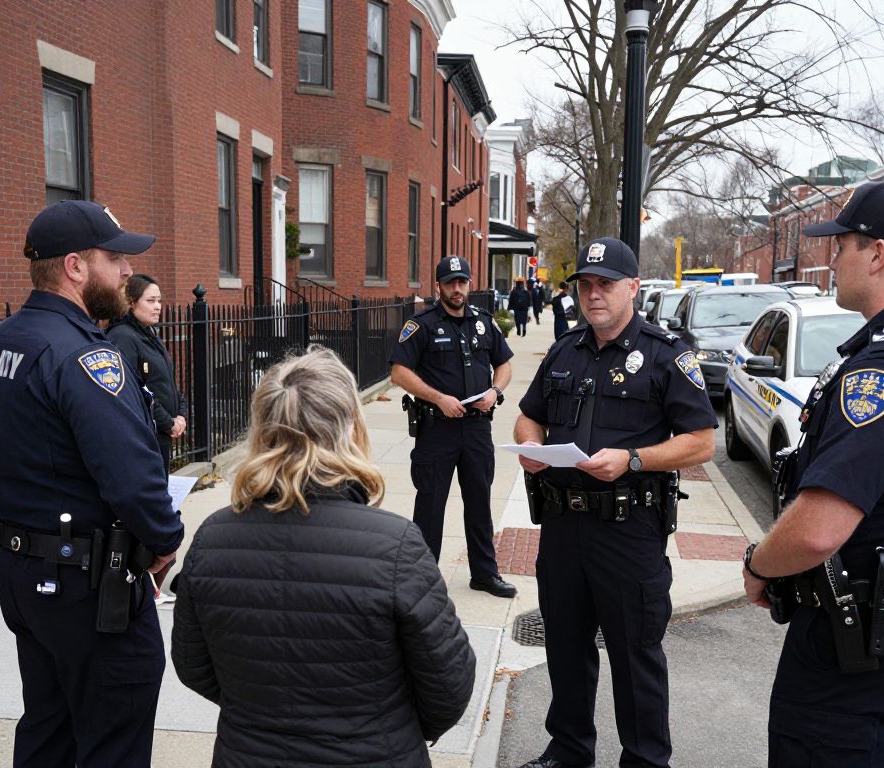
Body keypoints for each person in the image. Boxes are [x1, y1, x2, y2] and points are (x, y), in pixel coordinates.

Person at [742, 181, 884, 767]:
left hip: (858, 641)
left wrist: (759, 565)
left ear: (878, 254)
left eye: (841, 244)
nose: (831, 259)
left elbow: (819, 528)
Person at [171, 347, 476, 767]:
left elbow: (194, 666)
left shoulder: (213, 538)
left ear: (263, 427)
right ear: (350, 427)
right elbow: (450, 683)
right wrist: (390, 726)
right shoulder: (394, 545)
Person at [0, 200, 183, 768]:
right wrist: (163, 540)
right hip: (87, 585)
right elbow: (133, 477)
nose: (127, 272)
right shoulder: (85, 358)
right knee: (114, 735)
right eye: (116, 259)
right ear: (76, 267)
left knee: (49, 726)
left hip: (22, 571)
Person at [514, 237, 717, 768]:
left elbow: (700, 440)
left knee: (635, 654)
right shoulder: (564, 350)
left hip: (628, 531)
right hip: (562, 527)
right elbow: (529, 413)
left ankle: (646, 759)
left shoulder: (665, 354)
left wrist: (632, 460)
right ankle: (569, 749)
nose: (594, 294)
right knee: (564, 644)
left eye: (606, 283)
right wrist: (531, 444)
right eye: (585, 284)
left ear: (632, 287)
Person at [389, 256, 518, 598]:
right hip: (438, 429)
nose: (457, 289)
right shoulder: (423, 325)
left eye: (462, 282)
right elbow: (399, 372)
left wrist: (495, 391)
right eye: (450, 283)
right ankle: (424, 579)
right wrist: (437, 398)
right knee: (431, 504)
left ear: (469, 284)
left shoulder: (482, 322)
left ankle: (484, 574)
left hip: (477, 429)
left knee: (479, 501)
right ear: (439, 287)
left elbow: (504, 364)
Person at [107, 274, 187, 477]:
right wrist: (167, 422)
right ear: (132, 303)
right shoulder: (123, 337)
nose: (158, 306)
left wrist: (181, 415)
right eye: (150, 301)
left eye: (159, 300)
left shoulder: (150, 334)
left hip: (162, 433)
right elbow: (134, 389)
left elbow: (167, 381)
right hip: (145, 437)